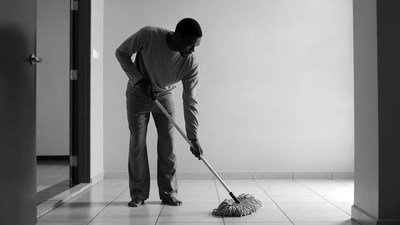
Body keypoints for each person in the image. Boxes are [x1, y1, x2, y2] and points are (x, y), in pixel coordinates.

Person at [115, 18, 204, 207]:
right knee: (137, 143)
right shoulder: (149, 35)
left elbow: (190, 100)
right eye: (190, 45)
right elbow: (121, 53)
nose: (193, 51)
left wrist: (193, 138)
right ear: (177, 36)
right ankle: (138, 194)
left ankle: (168, 193)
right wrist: (138, 80)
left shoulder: (190, 63)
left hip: (164, 97)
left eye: (196, 46)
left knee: (168, 145)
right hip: (138, 94)